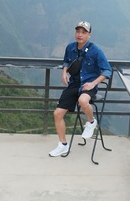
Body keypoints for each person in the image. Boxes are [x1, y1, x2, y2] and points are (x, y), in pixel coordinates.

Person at [49, 20, 112, 157]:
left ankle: (91, 121)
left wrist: (93, 84)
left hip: (89, 84)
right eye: (78, 31)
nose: (80, 35)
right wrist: (64, 72)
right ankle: (63, 145)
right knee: (57, 114)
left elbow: (107, 71)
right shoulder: (70, 47)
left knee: (83, 101)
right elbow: (66, 61)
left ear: (89, 35)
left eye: (84, 32)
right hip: (74, 85)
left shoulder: (96, 51)